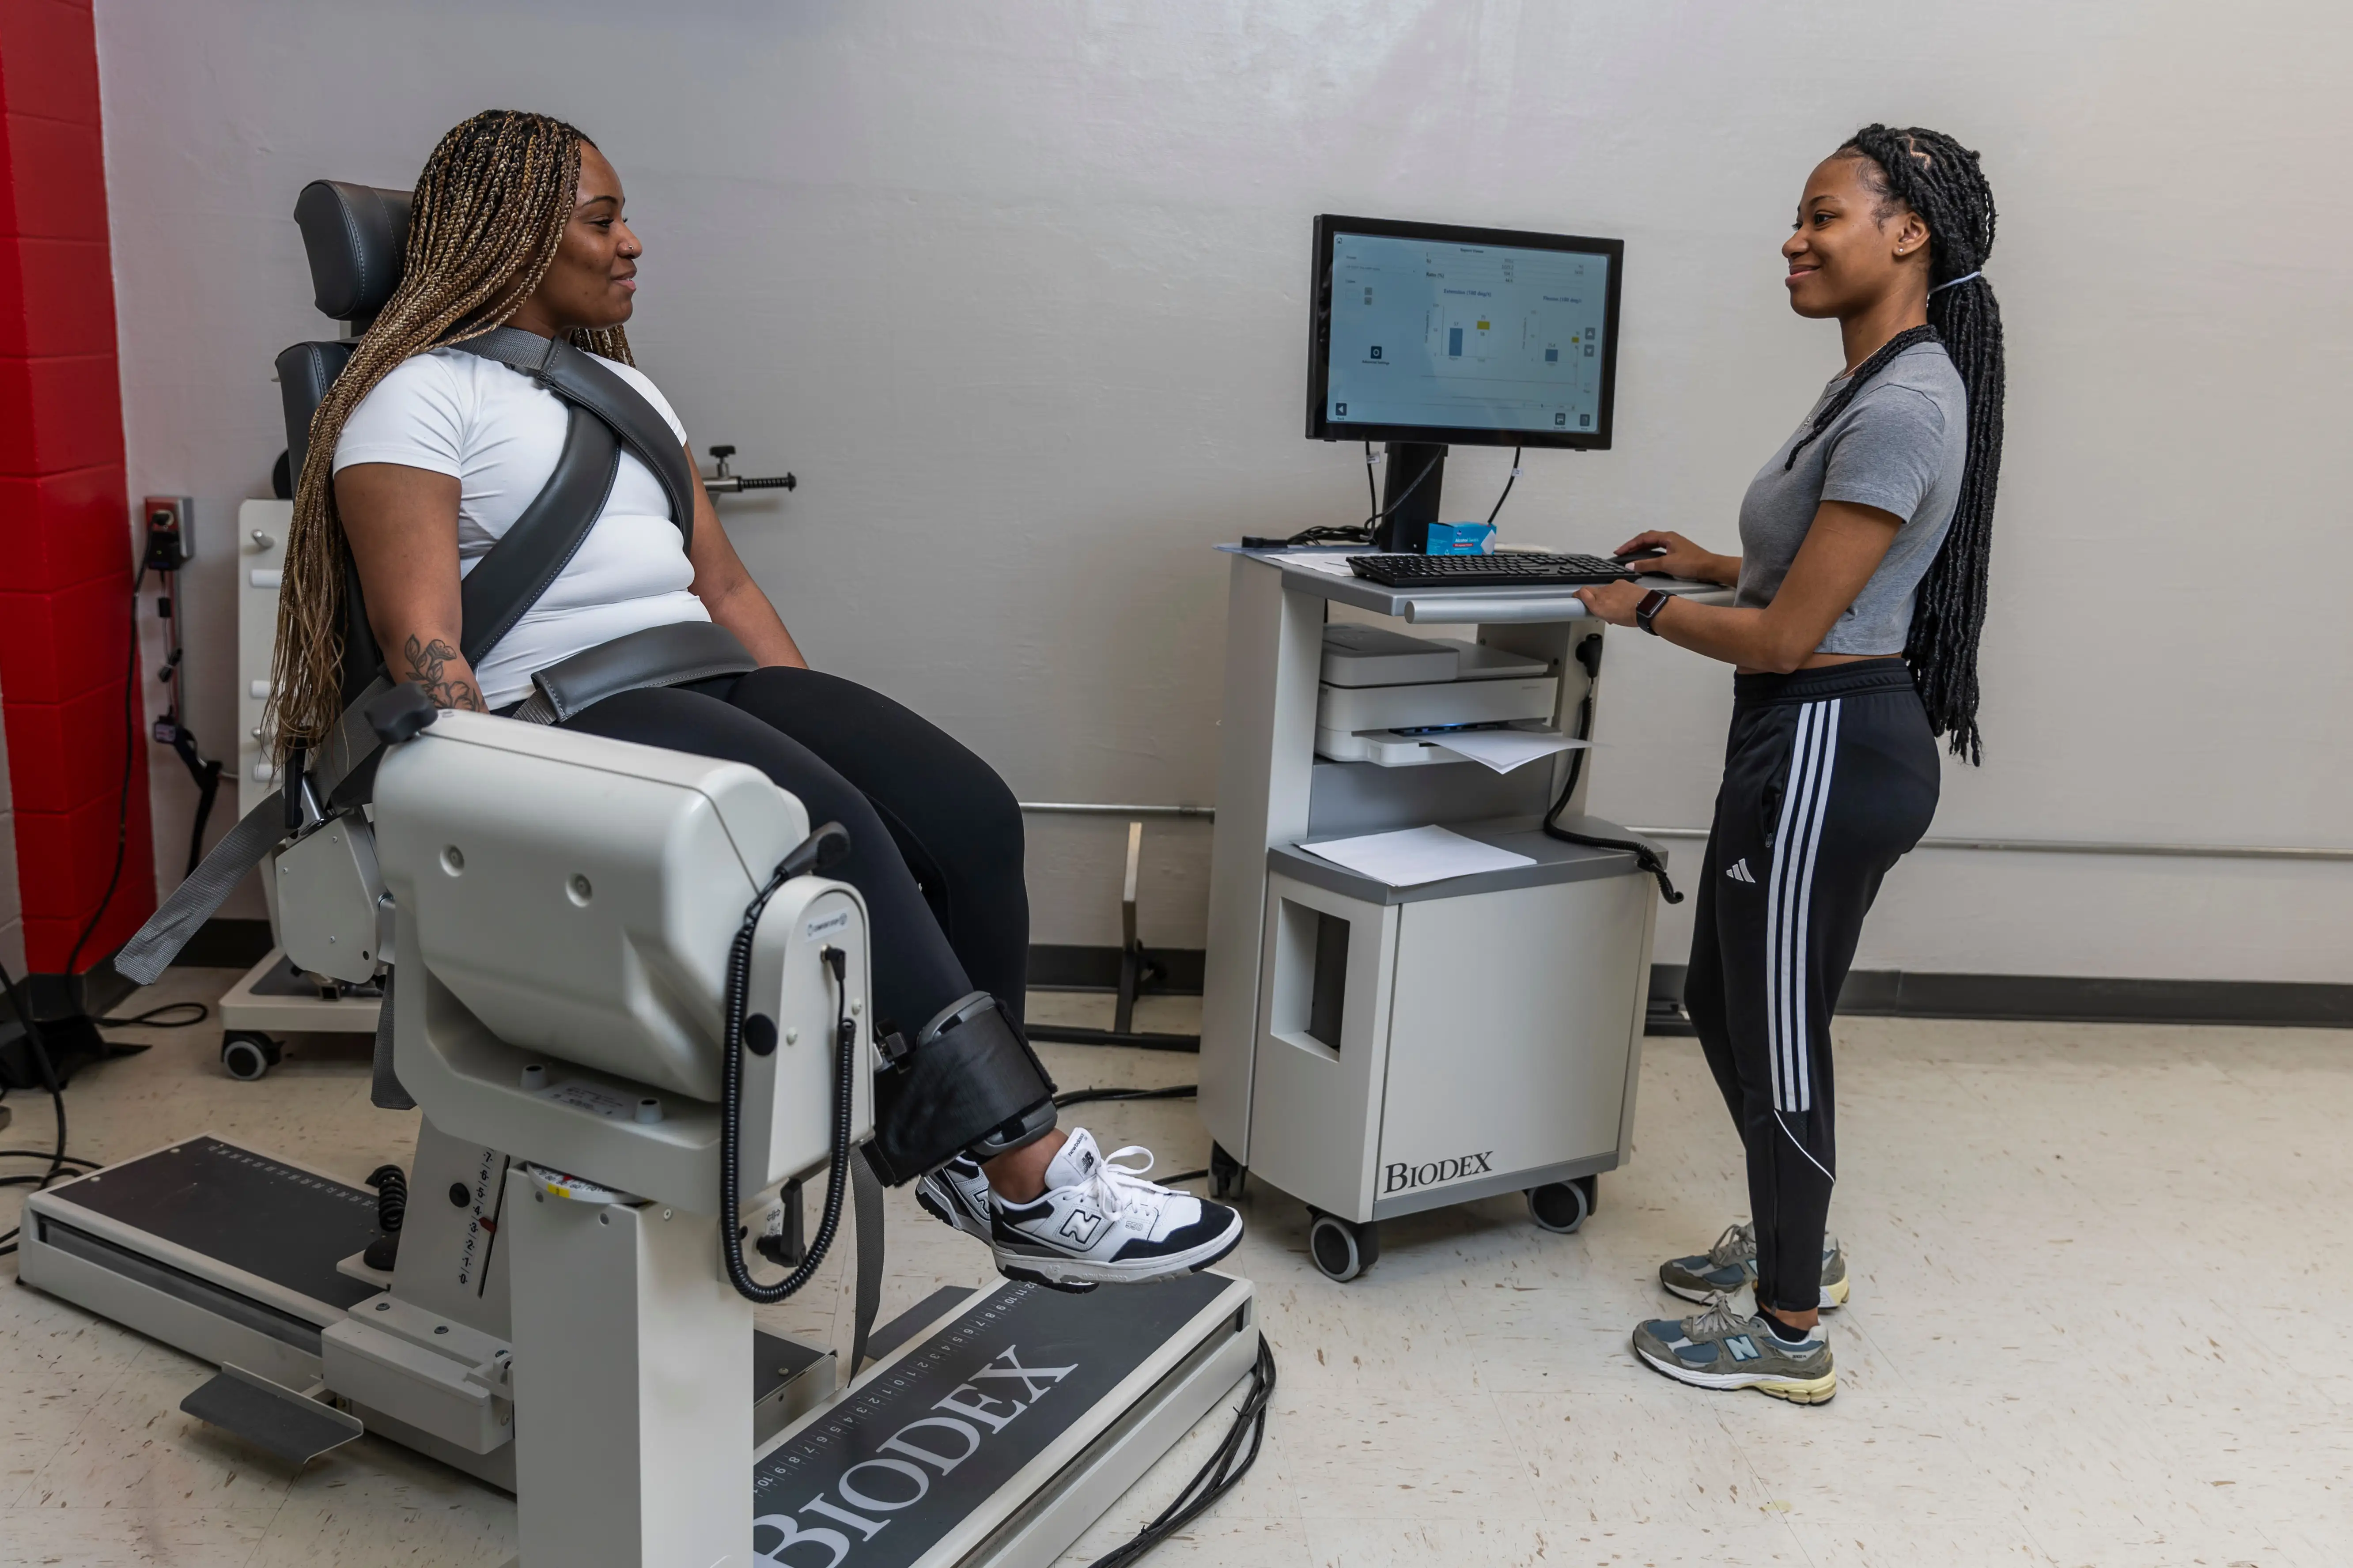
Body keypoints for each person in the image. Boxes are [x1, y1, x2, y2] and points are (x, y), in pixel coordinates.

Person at [266, 110, 1241, 1292]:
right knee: (827, 824)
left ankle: (966, 1152)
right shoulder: (411, 402)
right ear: (516, 234)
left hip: (694, 669)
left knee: (972, 811)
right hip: (559, 711)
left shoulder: (631, 394)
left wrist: (804, 707)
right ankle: (1030, 1172)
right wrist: (479, 811)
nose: (633, 242)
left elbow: (719, 580)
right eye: (603, 216)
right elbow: (419, 637)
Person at [1572, 125, 2005, 1402]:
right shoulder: (1871, 382)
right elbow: (1811, 569)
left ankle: (1790, 1323)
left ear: (1907, 231)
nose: (1795, 238)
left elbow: (1787, 634)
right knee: (1725, 997)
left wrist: (1633, 607)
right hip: (1803, 729)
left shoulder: (1910, 400)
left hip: (1827, 735)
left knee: (1781, 1032)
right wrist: (1708, 561)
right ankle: (1787, 1234)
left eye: (1824, 215)